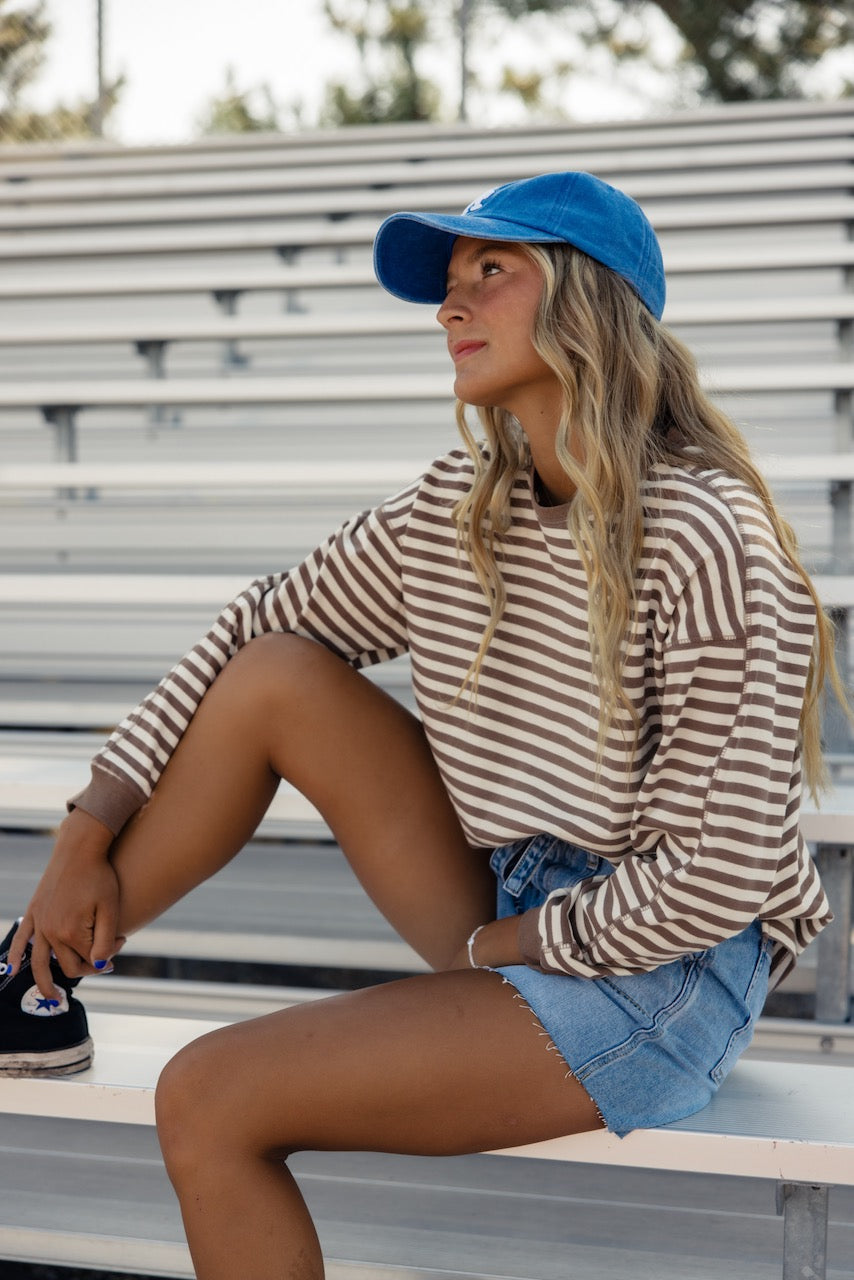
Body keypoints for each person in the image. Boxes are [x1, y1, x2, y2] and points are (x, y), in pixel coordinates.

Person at [0, 170, 845, 1280]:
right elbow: (252, 626)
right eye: (448, 284)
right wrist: (85, 826)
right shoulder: (460, 512)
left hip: (667, 969)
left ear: (586, 297)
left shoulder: (707, 534)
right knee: (276, 674)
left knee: (208, 1093)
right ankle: (35, 979)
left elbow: (718, 874)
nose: (451, 306)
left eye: (489, 273)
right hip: (516, 891)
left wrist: (506, 945)